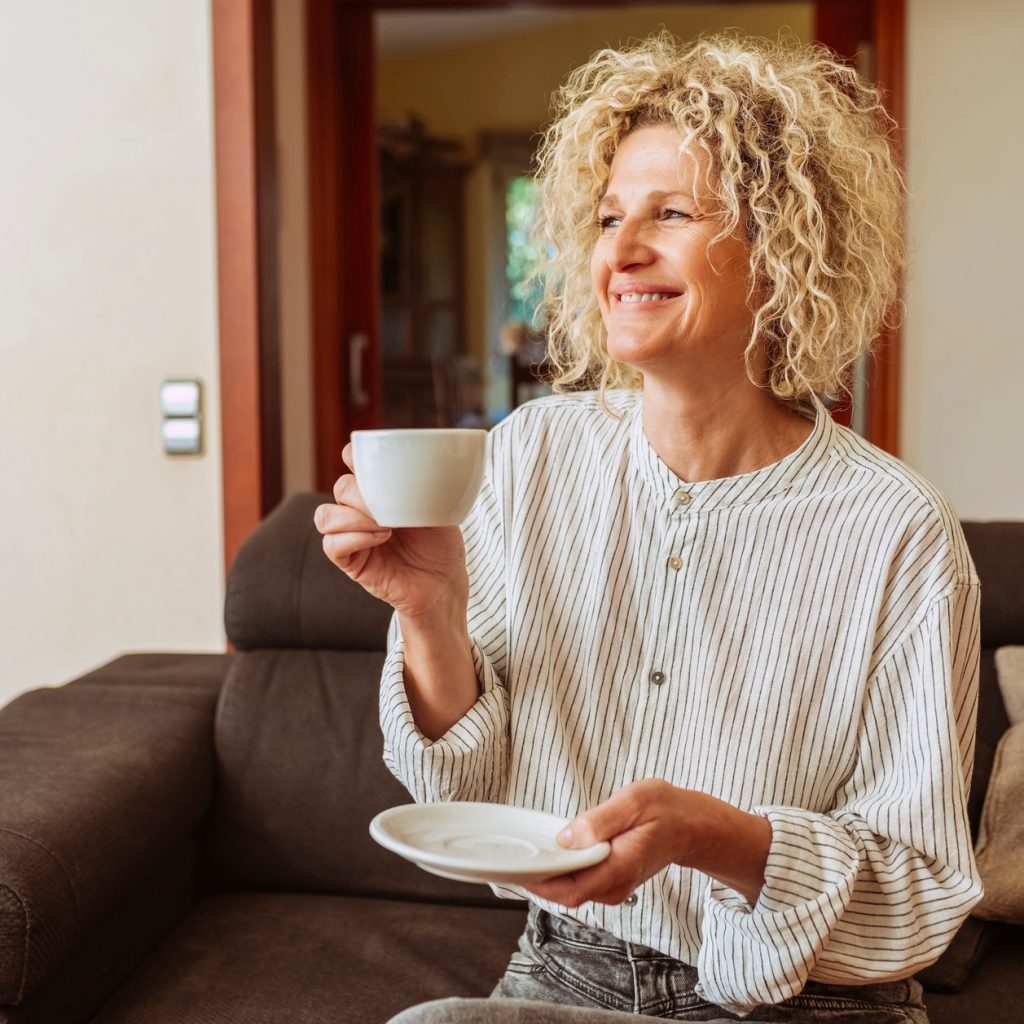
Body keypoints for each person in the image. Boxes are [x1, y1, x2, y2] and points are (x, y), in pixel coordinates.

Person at [314, 31, 982, 1024]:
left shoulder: (897, 530)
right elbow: (470, 788)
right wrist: (431, 611)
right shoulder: (529, 456)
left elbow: (916, 890)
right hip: (569, 968)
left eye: (670, 214)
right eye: (608, 216)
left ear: (784, 248)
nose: (621, 252)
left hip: (810, 1000)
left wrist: (708, 834)